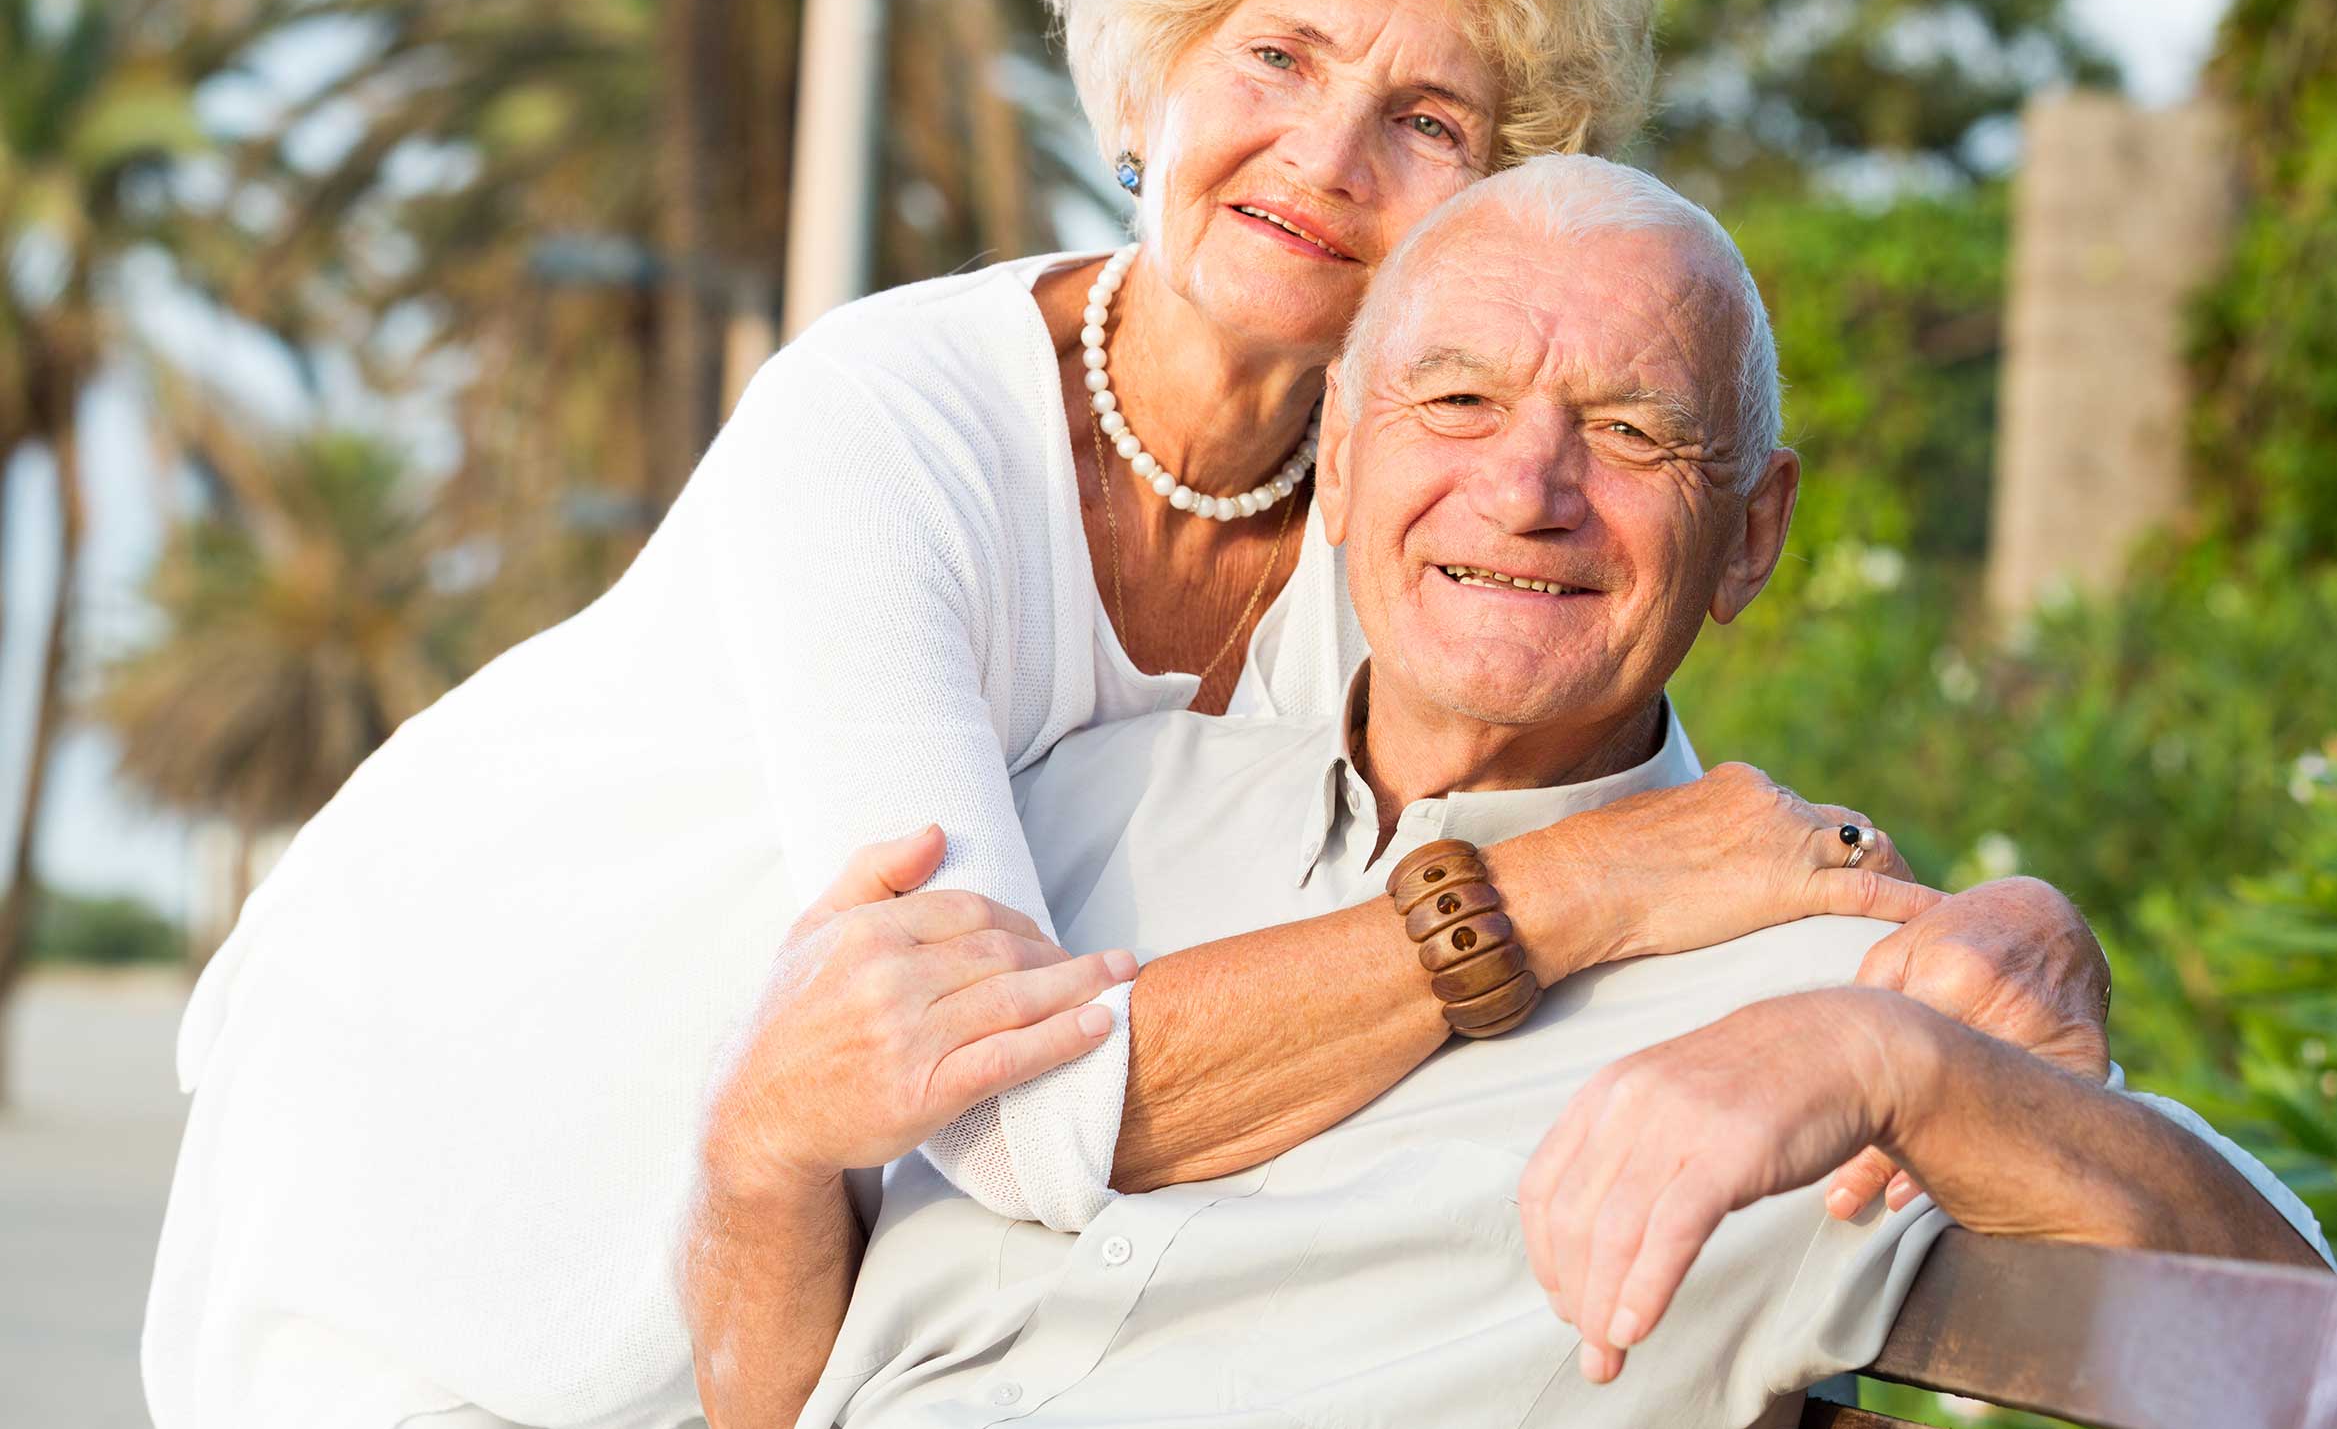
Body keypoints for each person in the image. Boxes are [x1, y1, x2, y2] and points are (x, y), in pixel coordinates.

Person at [148, 0, 2096, 1429]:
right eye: (1276, 53)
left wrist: (1983, 930)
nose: (1324, 154)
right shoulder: (890, 421)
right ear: (1152, 79)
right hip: (471, 1114)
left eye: (1427, 117)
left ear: (1493, 200)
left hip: (796, 1267)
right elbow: (1007, 1100)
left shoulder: (1382, 516)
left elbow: (1531, 753)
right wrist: (1604, 882)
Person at [697, 157, 2327, 1428]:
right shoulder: (1071, 806)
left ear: (1749, 535)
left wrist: (1890, 1061)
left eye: (1628, 430)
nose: (1526, 489)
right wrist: (763, 1155)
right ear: (1337, 461)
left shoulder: (1834, 1000)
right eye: (1457, 401)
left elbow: (2294, 1361)